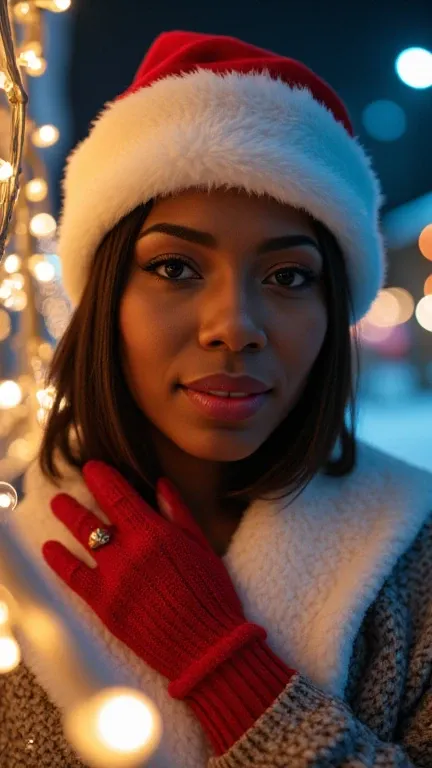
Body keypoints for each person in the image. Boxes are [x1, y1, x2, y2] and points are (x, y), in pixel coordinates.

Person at [1, 28, 432, 768]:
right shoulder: (11, 565)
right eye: (174, 268)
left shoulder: (418, 556)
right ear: (105, 297)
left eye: (290, 277)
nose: (234, 326)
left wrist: (222, 665)